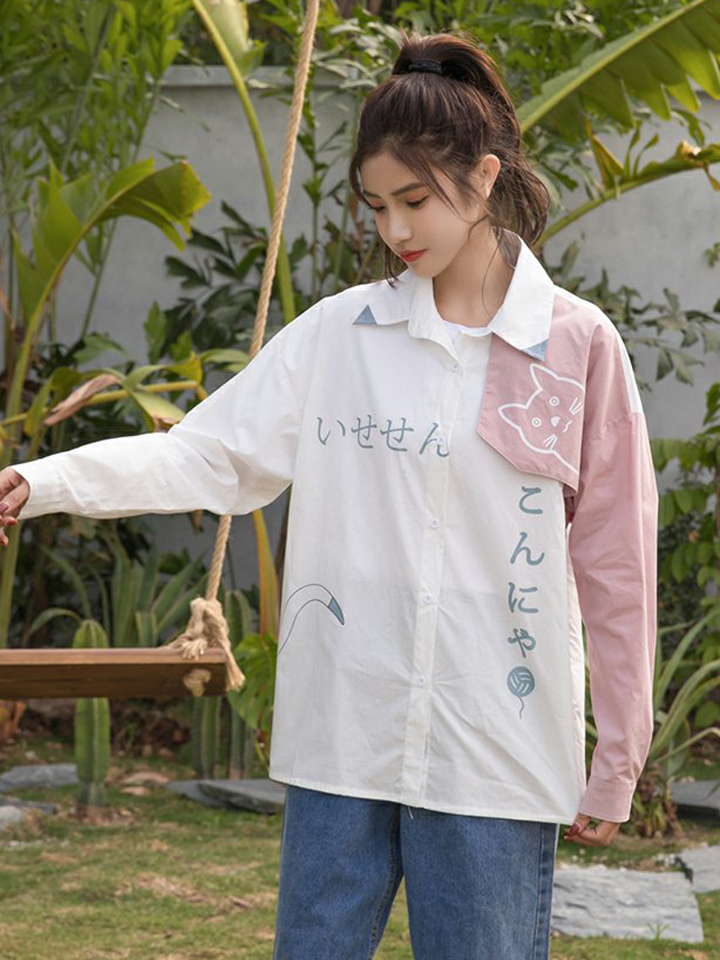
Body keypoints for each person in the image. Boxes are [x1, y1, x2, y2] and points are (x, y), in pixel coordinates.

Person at [0, 28, 658, 960]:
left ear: (484, 176)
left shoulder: (576, 345)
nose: (395, 231)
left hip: (497, 754)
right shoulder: (341, 336)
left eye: (416, 201)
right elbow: (208, 457)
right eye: (377, 205)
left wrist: (618, 756)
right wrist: (42, 481)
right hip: (345, 741)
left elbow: (617, 565)